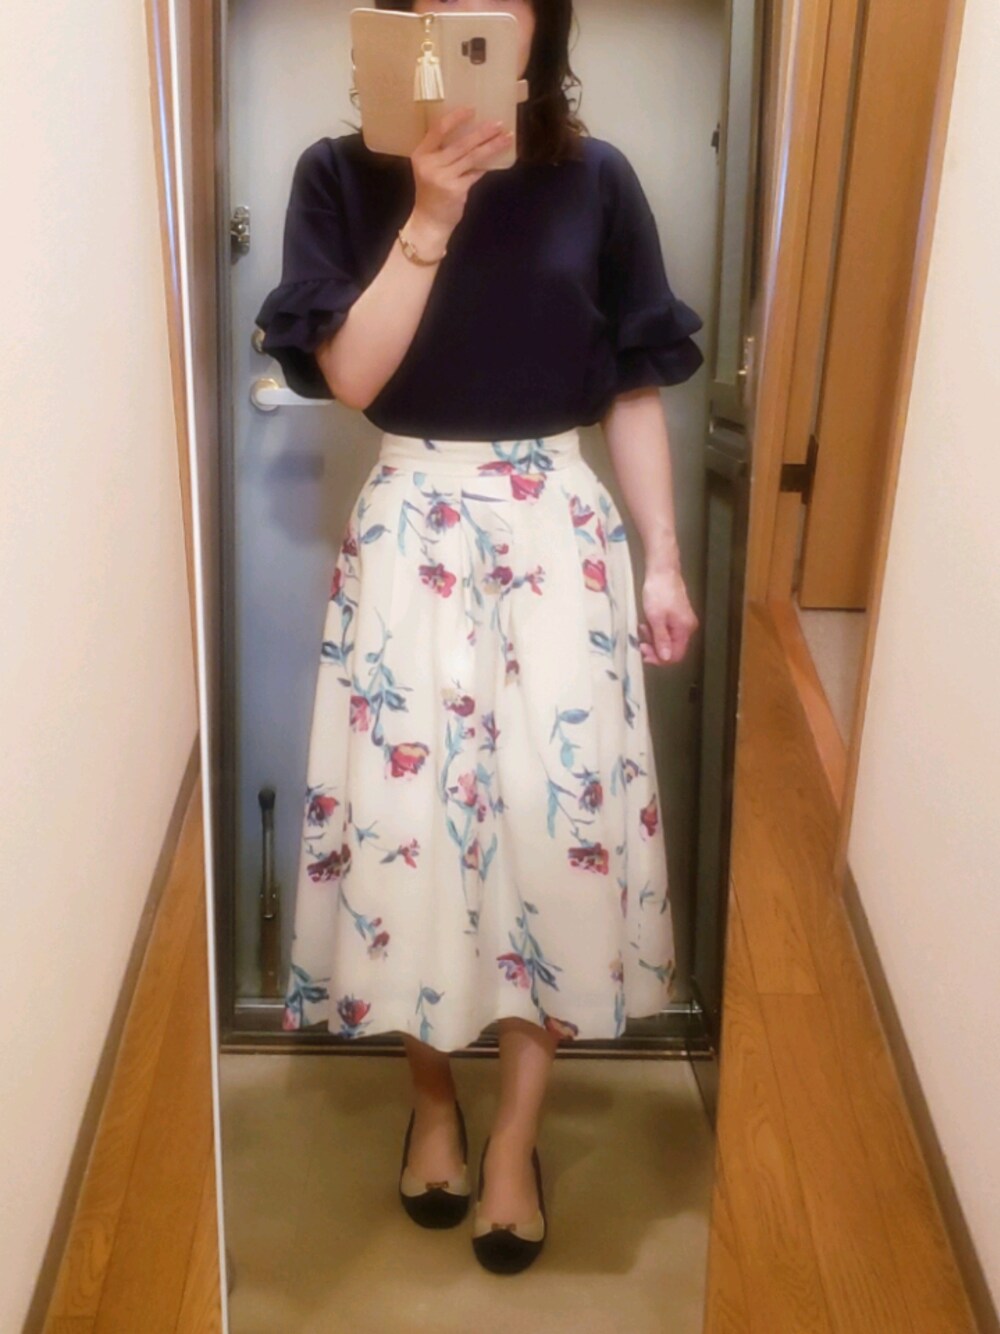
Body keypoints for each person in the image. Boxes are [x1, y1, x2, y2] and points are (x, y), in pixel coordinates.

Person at [254, 0, 703, 1275]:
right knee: (408, 830)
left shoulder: (595, 180)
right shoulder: (339, 176)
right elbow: (351, 377)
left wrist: (662, 557)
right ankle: (434, 1104)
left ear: (538, 29)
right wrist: (433, 216)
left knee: (550, 828)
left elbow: (631, 383)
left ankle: (514, 1135)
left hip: (557, 529)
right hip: (412, 532)